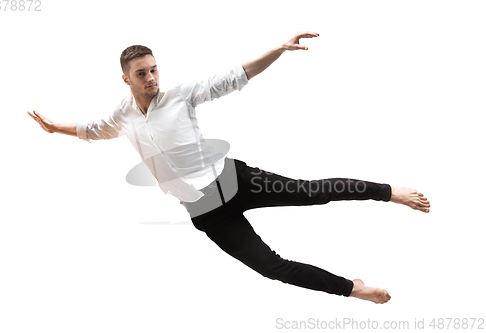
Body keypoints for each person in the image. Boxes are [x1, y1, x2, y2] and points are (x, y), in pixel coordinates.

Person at [28, 31, 431, 304]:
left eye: (153, 69)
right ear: (125, 79)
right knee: (272, 267)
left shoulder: (179, 95)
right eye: (141, 73)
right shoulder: (123, 114)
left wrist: (279, 48)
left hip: (233, 180)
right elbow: (93, 129)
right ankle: (352, 289)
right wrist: (53, 129)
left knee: (313, 193)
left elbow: (235, 75)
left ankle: (389, 191)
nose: (151, 78)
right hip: (203, 210)